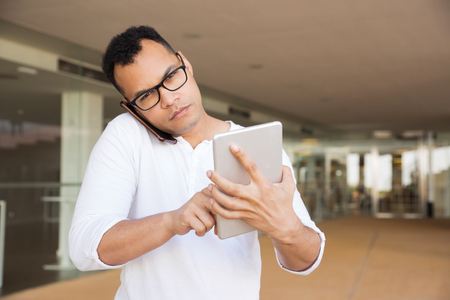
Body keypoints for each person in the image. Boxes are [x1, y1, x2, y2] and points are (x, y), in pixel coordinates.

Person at [69, 25, 325, 300]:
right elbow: (84, 247)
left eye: (170, 77)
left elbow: (305, 261)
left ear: (186, 65)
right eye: (145, 96)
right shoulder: (126, 134)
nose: (168, 99)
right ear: (130, 106)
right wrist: (171, 221)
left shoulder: (255, 145)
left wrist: (284, 226)